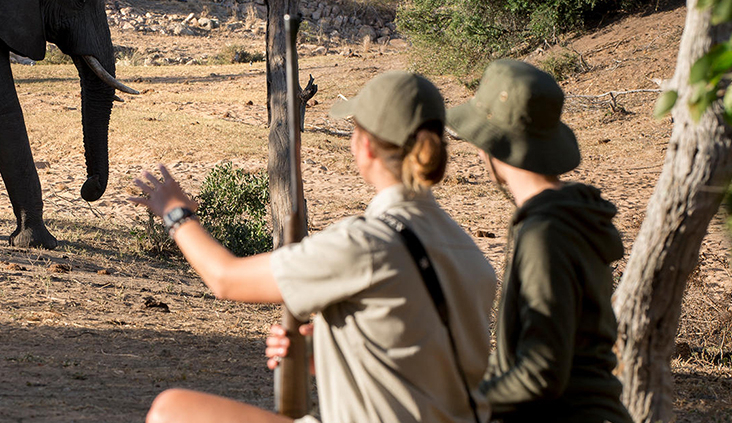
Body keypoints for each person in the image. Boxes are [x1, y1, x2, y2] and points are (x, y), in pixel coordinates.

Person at [131, 71, 496, 423]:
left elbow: (226, 278)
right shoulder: (471, 255)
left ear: (364, 144)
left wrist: (175, 213)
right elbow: (424, 365)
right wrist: (327, 354)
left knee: (171, 410)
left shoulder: (364, 242)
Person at [446, 59, 633, 423]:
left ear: (492, 147)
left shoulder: (545, 233)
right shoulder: (571, 215)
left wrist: (464, 405)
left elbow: (541, 373)